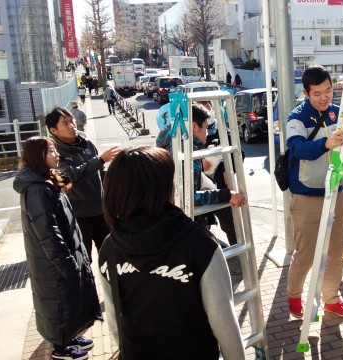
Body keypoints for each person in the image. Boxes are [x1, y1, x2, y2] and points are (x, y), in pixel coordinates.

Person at [98, 145, 245, 360]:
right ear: (161, 189)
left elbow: (113, 318)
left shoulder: (109, 247)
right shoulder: (198, 242)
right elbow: (224, 322)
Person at [13, 136, 102, 360]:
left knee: (69, 300)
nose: (57, 154)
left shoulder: (46, 182)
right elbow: (48, 234)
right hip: (54, 263)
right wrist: (66, 263)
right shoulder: (37, 190)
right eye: (51, 150)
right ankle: (61, 348)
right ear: (38, 157)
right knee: (60, 303)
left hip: (63, 257)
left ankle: (69, 337)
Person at [285, 64, 343, 319]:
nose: (324, 97)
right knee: (305, 254)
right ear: (306, 93)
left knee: (336, 252)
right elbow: (297, 149)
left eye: (328, 90)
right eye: (317, 93)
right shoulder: (297, 117)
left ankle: (331, 299)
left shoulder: (339, 113)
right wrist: (326, 143)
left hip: (337, 191)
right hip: (306, 195)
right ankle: (294, 295)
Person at [45, 107, 120, 262]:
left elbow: (100, 174)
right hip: (78, 217)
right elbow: (68, 177)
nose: (72, 125)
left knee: (112, 257)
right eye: (65, 123)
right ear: (54, 130)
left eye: (71, 120)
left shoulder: (87, 145)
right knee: (83, 260)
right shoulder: (56, 153)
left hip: (102, 212)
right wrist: (99, 160)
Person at [191, 103, 246, 289]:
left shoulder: (168, 140)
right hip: (192, 222)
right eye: (205, 128)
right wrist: (226, 194)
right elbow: (190, 196)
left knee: (231, 231)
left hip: (197, 216)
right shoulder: (188, 150)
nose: (207, 133)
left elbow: (239, 154)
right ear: (194, 126)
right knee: (236, 267)